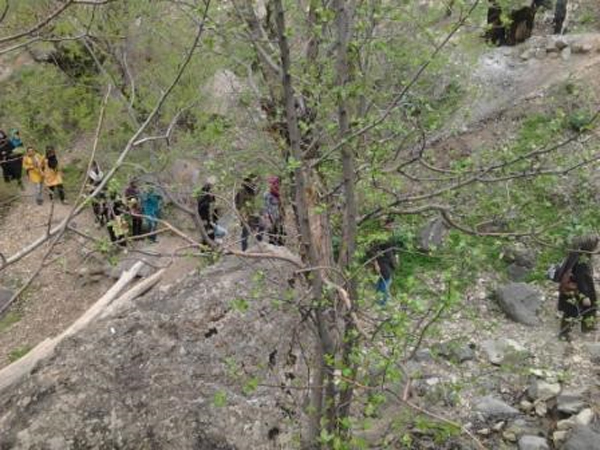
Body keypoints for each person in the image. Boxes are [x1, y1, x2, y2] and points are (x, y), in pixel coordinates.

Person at [556, 235, 598, 341]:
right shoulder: (581, 260)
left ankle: (587, 326)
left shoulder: (574, 254)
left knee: (583, 309)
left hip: (576, 287)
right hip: (577, 289)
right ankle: (564, 334)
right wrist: (585, 296)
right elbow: (580, 279)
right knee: (571, 311)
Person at [366, 217, 403, 306]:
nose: (391, 227)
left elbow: (394, 246)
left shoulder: (391, 234)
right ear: (385, 225)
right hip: (381, 261)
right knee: (386, 278)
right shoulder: (378, 236)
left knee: (383, 279)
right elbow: (372, 250)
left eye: (392, 225)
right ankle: (382, 302)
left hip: (390, 260)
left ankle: (377, 299)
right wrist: (375, 264)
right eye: (389, 225)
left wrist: (397, 256)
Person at [235, 174, 262, 251]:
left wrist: (260, 184)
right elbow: (239, 204)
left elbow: (255, 193)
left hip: (252, 213)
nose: (252, 183)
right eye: (251, 181)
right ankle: (244, 250)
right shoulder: (242, 190)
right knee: (245, 232)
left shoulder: (251, 190)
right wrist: (242, 213)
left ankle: (258, 247)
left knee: (259, 228)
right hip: (245, 214)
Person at [262, 175, 285, 246]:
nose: (275, 185)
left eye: (277, 183)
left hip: (279, 218)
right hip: (271, 218)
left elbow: (281, 206)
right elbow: (265, 207)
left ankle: (281, 246)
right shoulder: (267, 195)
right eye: (273, 183)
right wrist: (268, 218)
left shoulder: (278, 194)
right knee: (272, 236)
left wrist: (283, 215)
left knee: (281, 235)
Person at [87, 160, 108, 226]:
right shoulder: (91, 174)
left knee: (103, 205)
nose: (94, 168)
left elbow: (104, 183)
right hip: (95, 192)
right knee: (96, 206)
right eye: (93, 167)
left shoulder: (100, 174)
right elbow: (90, 183)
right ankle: (99, 219)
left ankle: (102, 218)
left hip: (100, 191)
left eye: (94, 166)